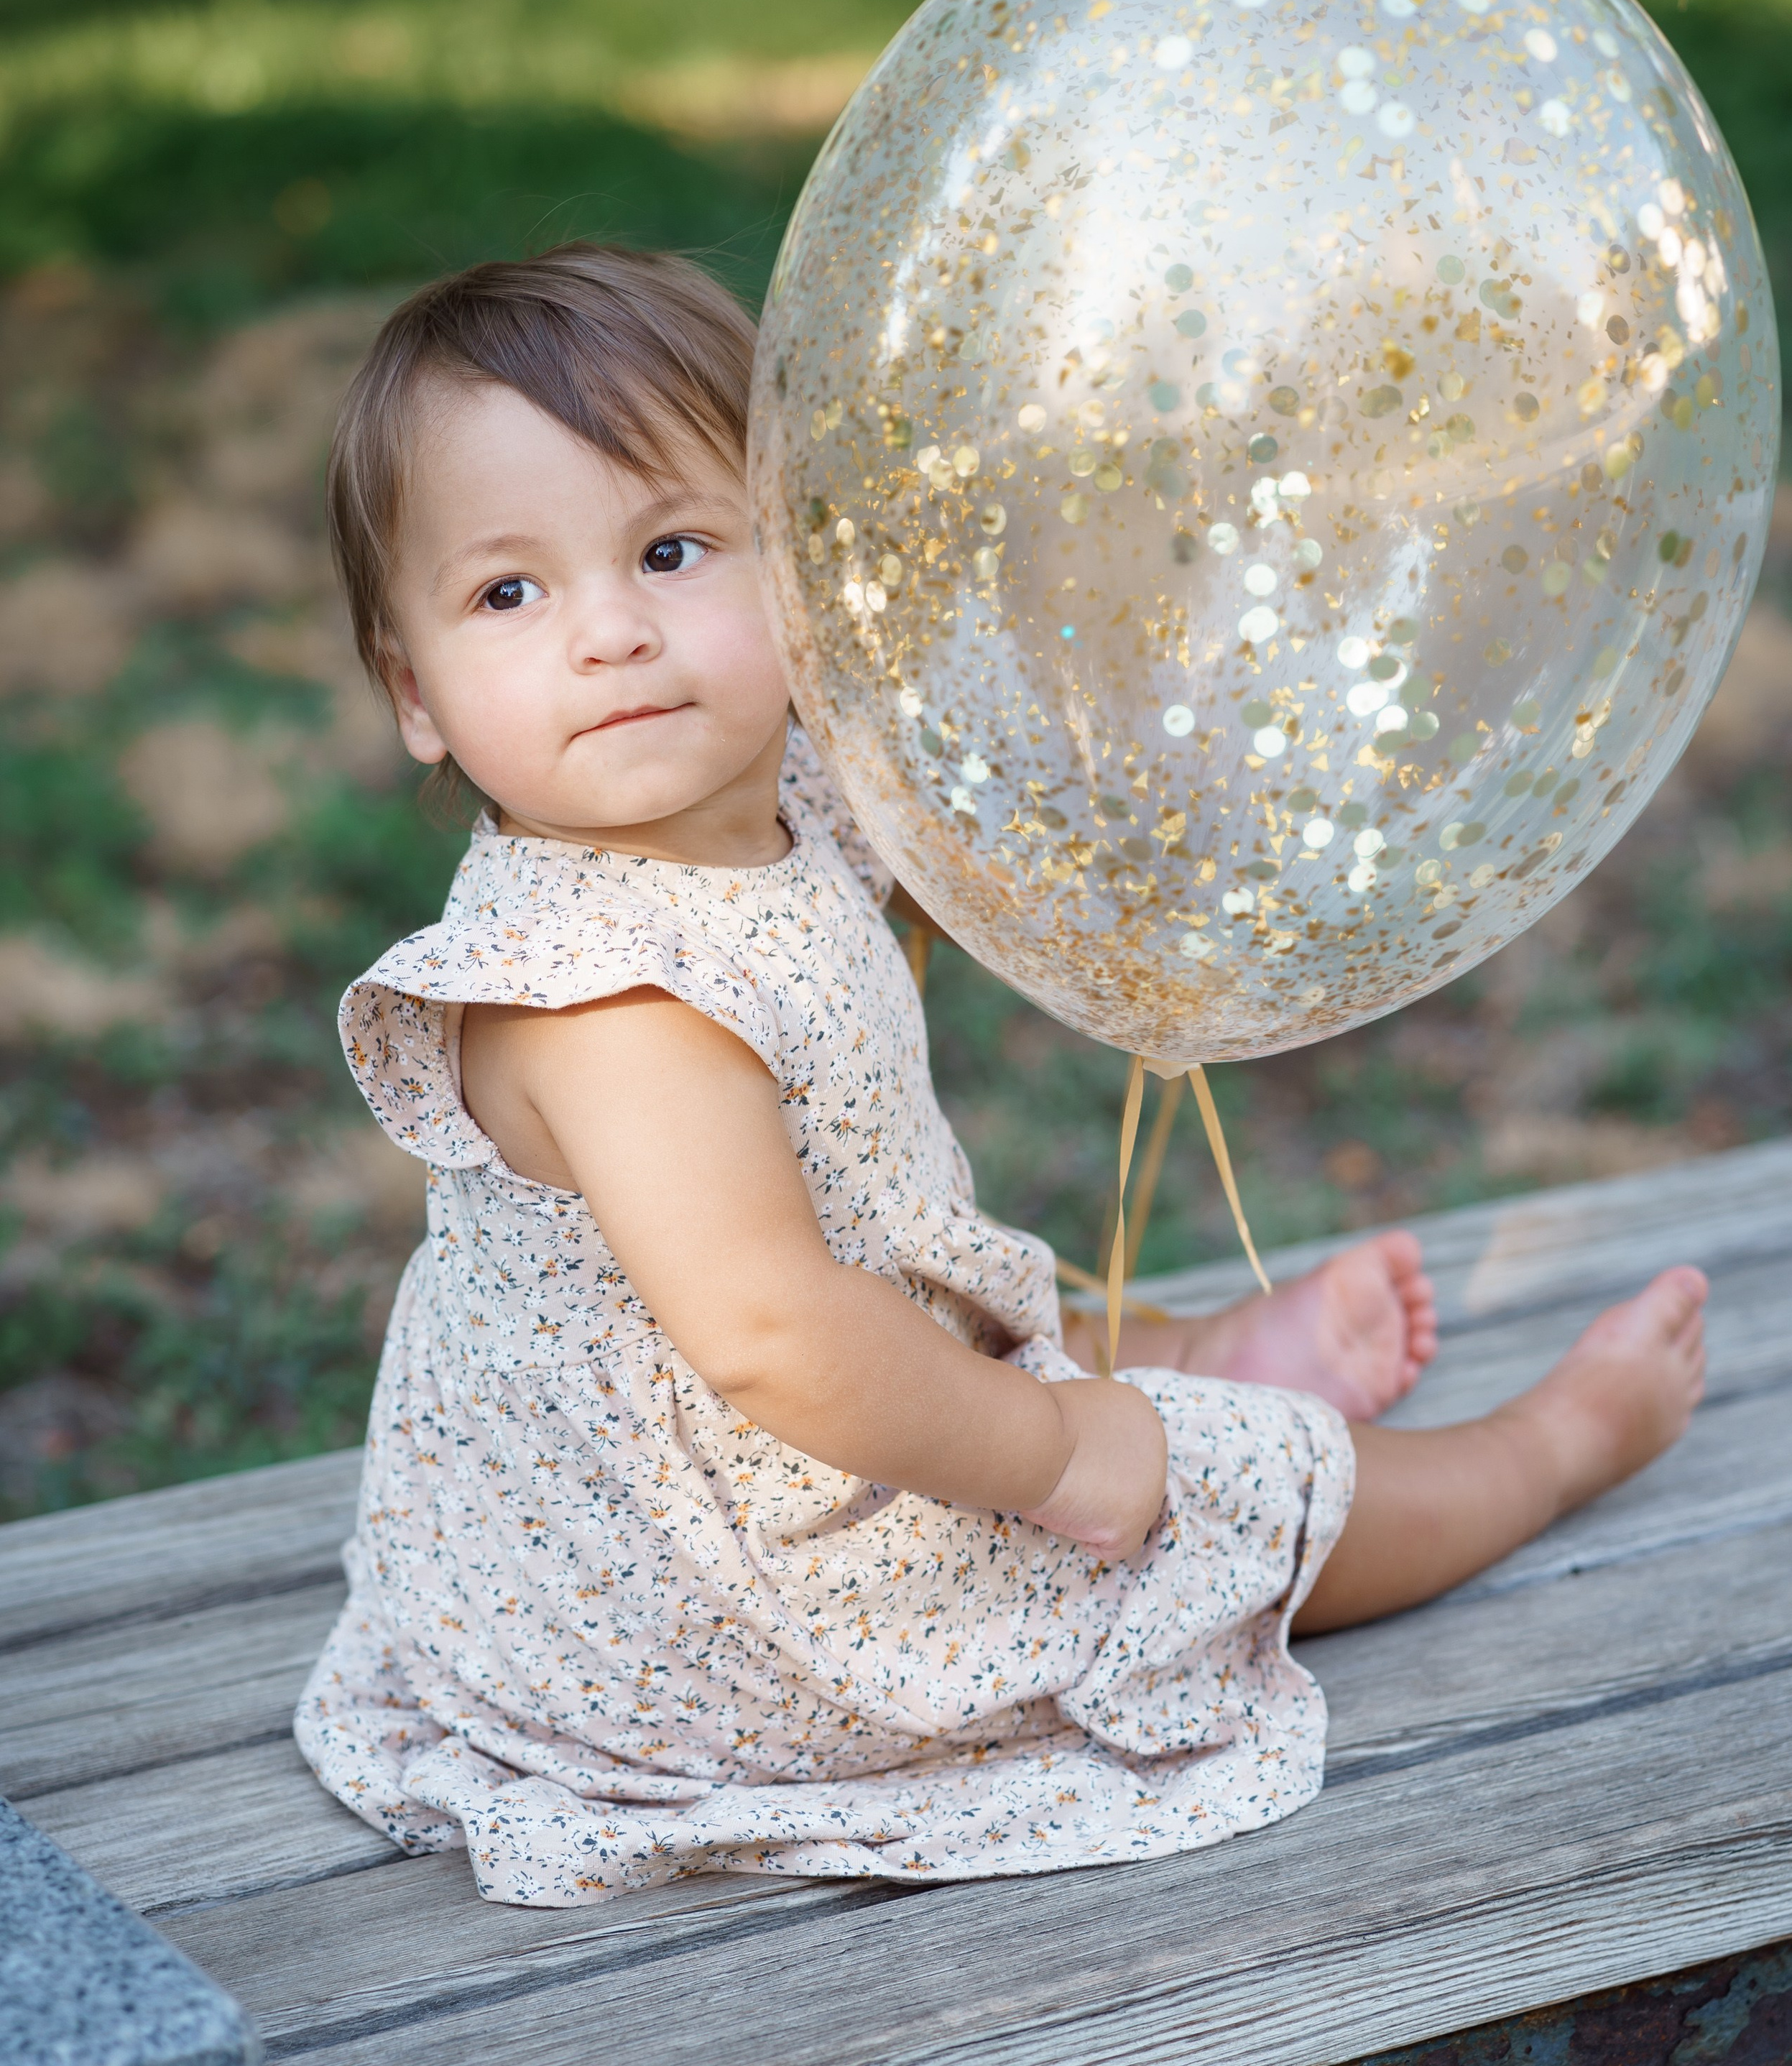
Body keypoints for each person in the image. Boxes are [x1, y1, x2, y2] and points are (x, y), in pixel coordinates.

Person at [295, 242, 1707, 1906]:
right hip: (720, 1610)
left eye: (670, 550)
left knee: (953, 1297)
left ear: (792, 563)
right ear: (414, 694)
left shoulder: (757, 802)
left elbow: (937, 862)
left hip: (674, 1495)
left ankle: (1191, 1350)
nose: (609, 632)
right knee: (1202, 1491)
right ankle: (1539, 1451)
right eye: (507, 593)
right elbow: (769, 1336)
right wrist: (1053, 1461)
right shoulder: (604, 999)